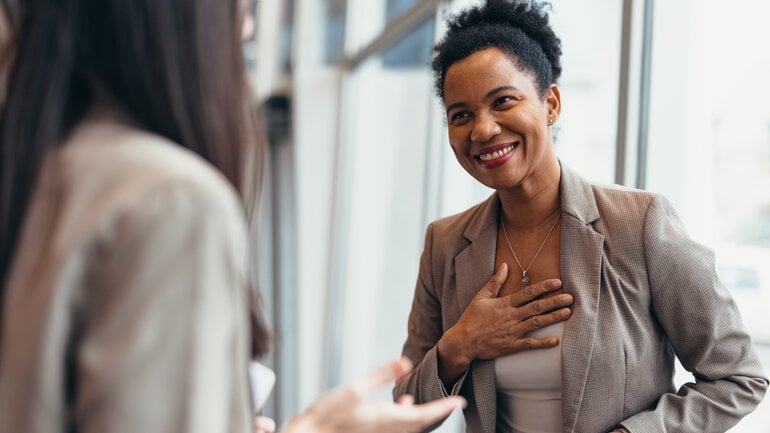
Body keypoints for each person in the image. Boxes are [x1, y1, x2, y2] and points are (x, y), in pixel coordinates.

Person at [0, 1, 464, 432]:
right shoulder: (169, 200)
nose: (243, 85)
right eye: (241, 51)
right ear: (181, 43)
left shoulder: (42, 174)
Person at [393, 0, 768, 432]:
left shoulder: (639, 223)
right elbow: (403, 411)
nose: (482, 129)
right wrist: (459, 345)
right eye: (461, 115)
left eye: (503, 101)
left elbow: (738, 378)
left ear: (550, 103)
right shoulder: (445, 243)